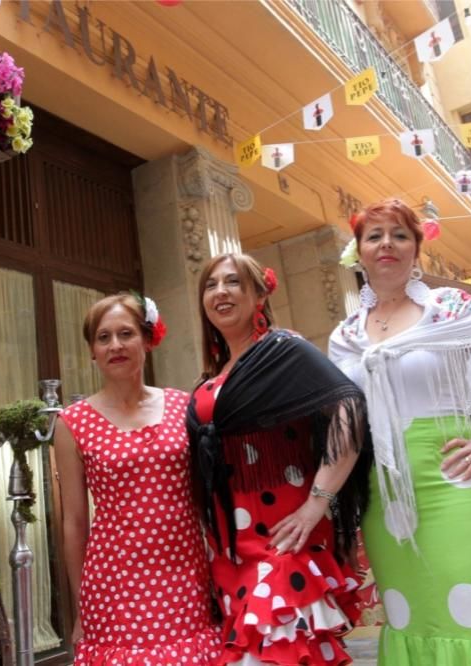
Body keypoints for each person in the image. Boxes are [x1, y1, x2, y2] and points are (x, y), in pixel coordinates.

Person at [328, 197, 471, 665]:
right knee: (413, 619)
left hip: (457, 483)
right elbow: (342, 424)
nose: (386, 243)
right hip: (383, 495)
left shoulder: (448, 307)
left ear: (416, 249)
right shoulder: (346, 334)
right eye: (374, 235)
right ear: (359, 251)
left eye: (400, 234)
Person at [186, 253, 372, 666]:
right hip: (230, 549)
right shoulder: (213, 374)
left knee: (283, 652)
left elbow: (350, 409)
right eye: (211, 285)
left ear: (258, 296)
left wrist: (317, 502)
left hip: (282, 536)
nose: (220, 292)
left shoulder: (282, 349)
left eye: (233, 282)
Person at [56, 293, 221, 664]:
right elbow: (75, 522)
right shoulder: (72, 423)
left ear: (148, 340)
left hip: (185, 574)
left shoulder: (185, 407)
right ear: (92, 352)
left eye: (126, 333)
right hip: (113, 583)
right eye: (103, 337)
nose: (115, 345)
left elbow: (203, 499)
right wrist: (82, 604)